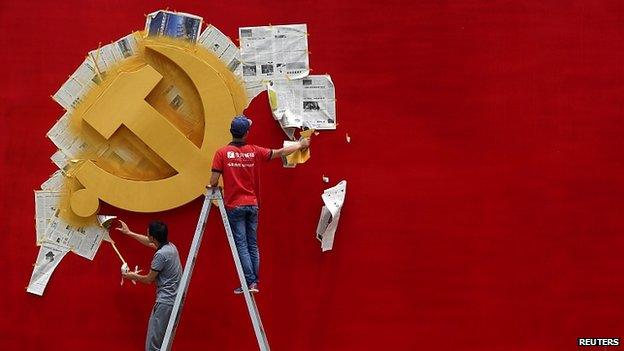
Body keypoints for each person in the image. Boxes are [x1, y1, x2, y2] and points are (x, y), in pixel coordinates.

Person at [210, 115, 310, 294]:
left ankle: (248, 282)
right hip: (252, 204)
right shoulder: (255, 151)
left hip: (234, 206)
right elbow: (279, 152)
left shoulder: (221, 153)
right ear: (246, 133)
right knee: (253, 244)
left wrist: (213, 186)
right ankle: (254, 282)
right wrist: (301, 145)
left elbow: (214, 180)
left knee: (241, 244)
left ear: (231, 132)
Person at [116, 220, 182, 351]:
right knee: (162, 345)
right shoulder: (171, 248)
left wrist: (131, 276)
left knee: (153, 347)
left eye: (148, 234)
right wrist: (128, 233)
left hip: (165, 303)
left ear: (153, 237)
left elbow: (148, 279)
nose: (147, 236)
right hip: (174, 301)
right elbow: (149, 242)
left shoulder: (160, 255)